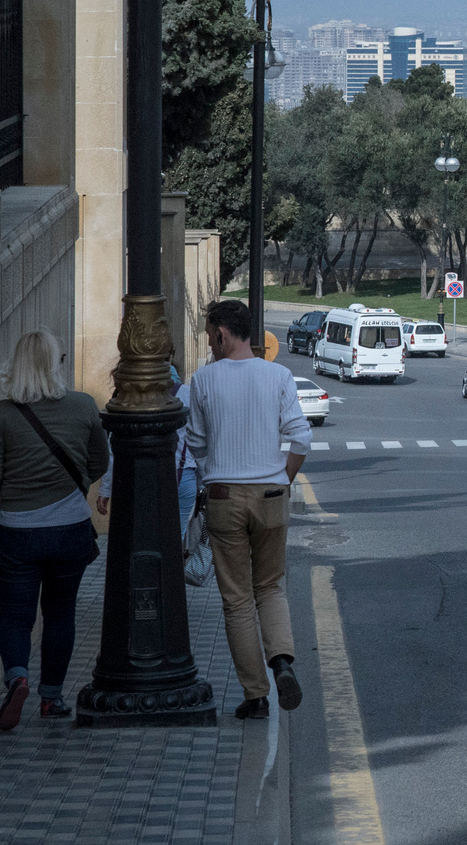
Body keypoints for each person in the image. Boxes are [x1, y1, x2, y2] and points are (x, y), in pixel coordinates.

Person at [0, 329, 106, 729]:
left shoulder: (2, 414)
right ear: (55, 365)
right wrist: (72, 484)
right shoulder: (83, 406)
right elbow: (100, 462)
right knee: (60, 613)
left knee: (15, 615)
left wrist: (17, 492)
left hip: (17, 532)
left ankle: (18, 676)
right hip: (69, 529)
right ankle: (51, 699)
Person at [189, 299, 312, 720]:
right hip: (272, 494)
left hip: (224, 497)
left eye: (209, 335)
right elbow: (301, 437)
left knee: (237, 599)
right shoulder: (278, 375)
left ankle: (256, 695)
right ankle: (282, 663)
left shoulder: (203, 381)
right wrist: (283, 480)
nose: (208, 343)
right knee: (271, 586)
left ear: (222, 334)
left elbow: (196, 445)